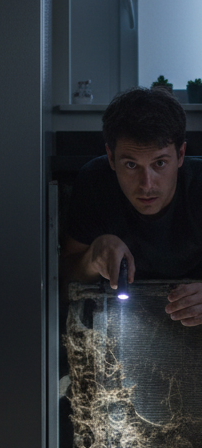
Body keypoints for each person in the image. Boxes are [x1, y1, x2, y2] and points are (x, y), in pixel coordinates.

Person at [60, 88, 202, 326]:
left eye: (159, 163)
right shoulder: (95, 184)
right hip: (120, 328)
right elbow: (62, 282)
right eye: (131, 165)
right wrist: (92, 258)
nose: (146, 185)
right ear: (111, 157)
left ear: (180, 155)